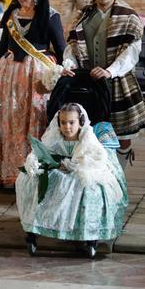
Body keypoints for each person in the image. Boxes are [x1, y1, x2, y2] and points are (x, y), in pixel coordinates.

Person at [0, 0, 66, 187]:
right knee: (8, 119)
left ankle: (31, 172)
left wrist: (59, 72)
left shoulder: (50, 16)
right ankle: (5, 172)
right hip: (9, 74)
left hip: (34, 75)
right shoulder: (12, 13)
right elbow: (2, 45)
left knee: (31, 119)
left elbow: (62, 50)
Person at [63, 0, 145, 165]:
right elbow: (72, 47)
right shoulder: (82, 16)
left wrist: (110, 71)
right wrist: (68, 65)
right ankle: (95, 180)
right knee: (88, 133)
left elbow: (131, 53)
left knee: (122, 136)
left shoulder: (129, 16)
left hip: (118, 82)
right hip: (87, 83)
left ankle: (119, 179)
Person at [16, 103, 128, 243]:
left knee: (85, 187)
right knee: (33, 179)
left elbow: (98, 157)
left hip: (82, 170)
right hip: (59, 171)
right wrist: (36, 162)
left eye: (71, 122)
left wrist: (77, 164)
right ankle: (38, 223)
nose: (67, 127)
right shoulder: (56, 138)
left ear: (80, 122)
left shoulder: (87, 138)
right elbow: (43, 151)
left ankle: (83, 230)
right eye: (63, 123)